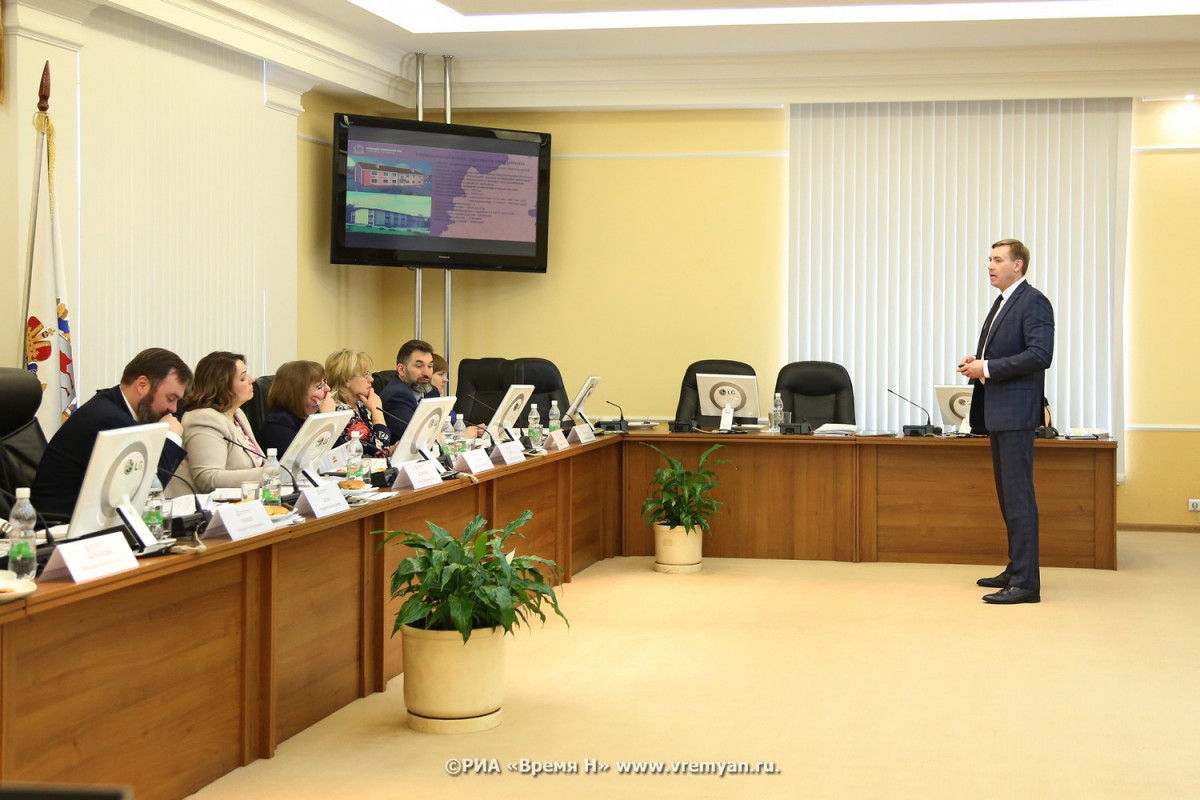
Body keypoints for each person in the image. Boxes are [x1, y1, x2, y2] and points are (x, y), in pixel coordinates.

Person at [957, 238, 1055, 605]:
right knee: (1007, 496)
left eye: (998, 260)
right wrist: (977, 363)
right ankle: (1017, 568)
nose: (990, 265)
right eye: (989, 259)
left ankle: (1027, 583)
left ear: (1018, 266)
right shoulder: (1003, 303)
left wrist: (989, 367)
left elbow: (1040, 354)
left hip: (1015, 414)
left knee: (1019, 497)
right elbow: (1003, 354)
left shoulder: (1033, 301)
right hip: (999, 413)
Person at [32, 348, 191, 518]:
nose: (173, 409)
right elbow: (145, 491)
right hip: (60, 527)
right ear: (142, 385)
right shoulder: (109, 419)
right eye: (170, 398)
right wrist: (172, 438)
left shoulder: (114, 407)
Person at [178, 351, 266, 493]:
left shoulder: (237, 414)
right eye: (243, 378)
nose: (252, 380)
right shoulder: (203, 419)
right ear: (223, 386)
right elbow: (207, 479)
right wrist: (267, 474)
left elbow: (258, 462)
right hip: (216, 509)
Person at [259, 360, 336, 454]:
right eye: (319, 386)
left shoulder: (314, 415)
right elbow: (306, 460)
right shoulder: (277, 424)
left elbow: (342, 452)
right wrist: (326, 419)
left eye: (325, 382)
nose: (328, 389)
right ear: (298, 394)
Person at [325, 349, 391, 456]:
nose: (371, 379)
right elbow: (379, 449)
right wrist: (377, 412)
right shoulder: (340, 410)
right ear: (346, 380)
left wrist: (393, 448)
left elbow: (373, 445)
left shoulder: (359, 404)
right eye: (365, 375)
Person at [380, 339, 439, 441]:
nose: (427, 373)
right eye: (419, 366)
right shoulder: (396, 395)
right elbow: (415, 437)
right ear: (402, 370)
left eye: (430, 366)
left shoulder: (431, 391)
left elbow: (448, 421)